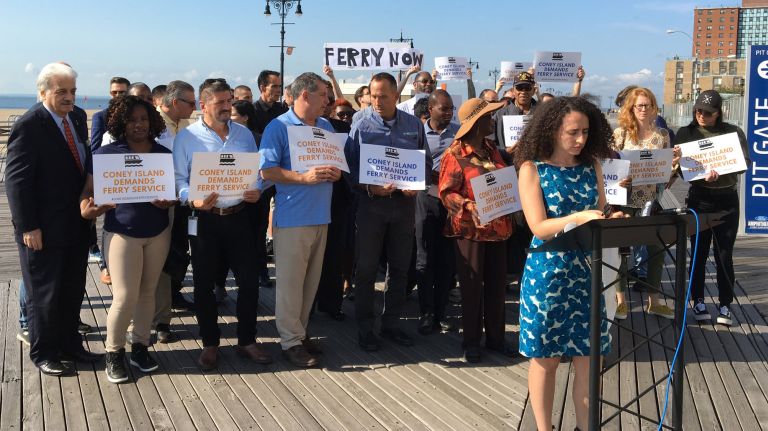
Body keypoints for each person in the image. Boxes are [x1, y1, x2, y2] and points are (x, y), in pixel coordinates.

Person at [515, 96, 622, 431]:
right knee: (545, 359)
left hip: (589, 272)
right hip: (548, 275)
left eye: (585, 132)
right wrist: (579, 217)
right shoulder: (532, 168)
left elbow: (600, 212)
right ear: (552, 130)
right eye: (572, 132)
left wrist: (611, 219)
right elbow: (538, 227)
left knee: (590, 360)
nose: (580, 139)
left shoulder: (593, 166)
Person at [6, 62, 101, 376]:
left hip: (76, 223)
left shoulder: (76, 118)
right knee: (44, 295)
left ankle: (71, 345)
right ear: (43, 91)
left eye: (72, 91)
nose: (69, 97)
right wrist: (28, 226)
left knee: (72, 290)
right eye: (62, 91)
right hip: (42, 228)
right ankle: (44, 352)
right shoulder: (30, 125)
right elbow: (17, 182)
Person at [174, 79, 272, 370]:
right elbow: (178, 180)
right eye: (221, 102)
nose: (228, 106)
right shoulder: (187, 137)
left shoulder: (244, 134)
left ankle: (247, 340)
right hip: (205, 220)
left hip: (240, 216)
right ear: (203, 105)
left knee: (249, 282)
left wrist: (257, 189)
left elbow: (255, 172)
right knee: (203, 285)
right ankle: (210, 343)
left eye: (229, 101)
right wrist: (193, 200)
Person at [80, 95, 175, 383]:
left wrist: (169, 201)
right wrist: (87, 208)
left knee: (148, 292)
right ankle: (114, 352)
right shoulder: (105, 154)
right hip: (122, 232)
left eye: (144, 119)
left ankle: (140, 347)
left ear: (152, 121)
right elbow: (87, 193)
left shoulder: (162, 154)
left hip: (157, 232)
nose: (139, 124)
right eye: (132, 120)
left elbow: (171, 193)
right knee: (124, 296)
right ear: (121, 122)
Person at [345, 72, 432, 351]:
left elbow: (425, 162)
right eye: (373, 96)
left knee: (400, 267)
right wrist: (370, 187)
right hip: (371, 205)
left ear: (396, 96)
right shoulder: (361, 124)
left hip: (403, 206)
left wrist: (416, 185)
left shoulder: (413, 125)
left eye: (383, 96)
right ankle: (365, 327)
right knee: (366, 268)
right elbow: (349, 167)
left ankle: (391, 324)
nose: (377, 101)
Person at [260, 72, 340, 367]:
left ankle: (300, 332)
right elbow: (267, 170)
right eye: (323, 95)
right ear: (305, 95)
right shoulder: (278, 127)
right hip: (293, 217)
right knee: (290, 284)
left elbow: (336, 164)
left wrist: (335, 172)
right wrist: (303, 178)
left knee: (309, 283)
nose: (328, 101)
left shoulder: (326, 125)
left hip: (321, 216)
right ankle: (290, 342)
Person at [438, 98, 513, 361]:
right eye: (489, 117)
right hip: (471, 231)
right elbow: (446, 193)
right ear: (477, 123)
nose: (493, 120)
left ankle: (496, 339)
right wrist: (469, 205)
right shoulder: (454, 154)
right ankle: (471, 341)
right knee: (471, 288)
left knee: (496, 286)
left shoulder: (492, 148)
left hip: (498, 228)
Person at [674, 90, 750, 326]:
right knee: (698, 252)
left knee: (724, 254)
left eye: (707, 112)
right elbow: (680, 171)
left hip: (727, 199)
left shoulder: (733, 132)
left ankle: (725, 303)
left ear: (718, 112)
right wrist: (679, 163)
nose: (701, 115)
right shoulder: (686, 133)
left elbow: (745, 163)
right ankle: (698, 300)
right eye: (698, 110)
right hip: (700, 198)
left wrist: (723, 170)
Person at [612, 87, 676, 320]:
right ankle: (620, 302)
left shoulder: (663, 135)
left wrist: (674, 167)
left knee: (656, 250)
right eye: (639, 105)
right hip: (625, 201)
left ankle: (654, 302)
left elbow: (667, 173)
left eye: (647, 105)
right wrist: (620, 180)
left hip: (651, 201)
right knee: (621, 252)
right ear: (631, 108)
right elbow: (610, 167)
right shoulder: (620, 134)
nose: (643, 109)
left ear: (653, 108)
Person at [153, 80, 197, 343]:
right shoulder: (153, 125)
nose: (195, 107)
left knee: (178, 256)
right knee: (159, 262)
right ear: (174, 102)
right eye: (191, 103)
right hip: (159, 205)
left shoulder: (187, 126)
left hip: (184, 201)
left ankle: (170, 301)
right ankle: (156, 319)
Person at [417, 90, 459, 335]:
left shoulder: (459, 134)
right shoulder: (417, 133)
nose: (448, 113)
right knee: (424, 258)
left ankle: (441, 313)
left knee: (446, 260)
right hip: (426, 200)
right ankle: (426, 313)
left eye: (451, 108)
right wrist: (428, 174)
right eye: (444, 108)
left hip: (451, 204)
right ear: (430, 109)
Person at [252, 70, 288, 288]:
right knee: (259, 227)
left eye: (279, 86)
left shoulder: (282, 110)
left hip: (282, 174)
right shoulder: (252, 111)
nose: (278, 90)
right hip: (262, 177)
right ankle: (261, 271)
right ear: (262, 87)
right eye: (274, 86)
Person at [91, 76, 130, 151]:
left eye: (122, 92)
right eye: (114, 92)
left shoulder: (135, 115)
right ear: (110, 94)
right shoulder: (100, 117)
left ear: (129, 93)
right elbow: (95, 149)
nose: (118, 95)